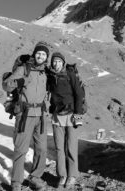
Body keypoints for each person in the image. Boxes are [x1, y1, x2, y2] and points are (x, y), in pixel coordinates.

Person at [3, 41, 50, 191]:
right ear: (34, 54)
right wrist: (20, 81)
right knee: (21, 149)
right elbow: (6, 84)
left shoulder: (46, 72)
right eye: (39, 53)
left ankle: (35, 177)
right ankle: (16, 182)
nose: (41, 56)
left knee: (42, 149)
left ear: (46, 57)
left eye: (43, 54)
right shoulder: (24, 69)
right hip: (25, 114)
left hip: (41, 115)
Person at [47, 52, 84, 188]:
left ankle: (72, 175)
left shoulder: (70, 75)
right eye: (54, 61)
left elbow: (79, 95)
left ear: (63, 62)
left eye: (58, 61)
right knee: (59, 148)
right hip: (57, 117)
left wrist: (78, 115)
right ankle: (62, 175)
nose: (56, 64)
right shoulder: (51, 77)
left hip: (72, 116)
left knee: (71, 147)